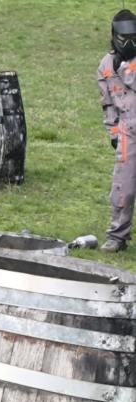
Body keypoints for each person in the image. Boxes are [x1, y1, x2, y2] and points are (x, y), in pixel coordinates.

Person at [98, 9, 136, 253]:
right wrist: (113, 130)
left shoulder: (123, 65)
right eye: (124, 38)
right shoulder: (105, 65)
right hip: (126, 130)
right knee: (123, 187)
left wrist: (124, 67)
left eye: (134, 37)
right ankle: (117, 237)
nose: (129, 43)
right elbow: (107, 102)